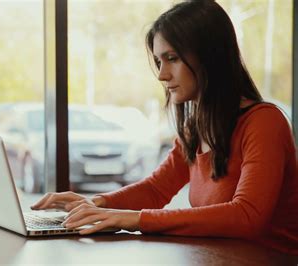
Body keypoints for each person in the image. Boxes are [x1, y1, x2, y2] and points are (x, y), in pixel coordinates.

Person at [31, 0, 298, 255]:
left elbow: (246, 216)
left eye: (172, 58)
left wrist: (135, 219)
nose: (162, 74)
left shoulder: (264, 122)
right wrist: (96, 203)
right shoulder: (196, 129)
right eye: (159, 61)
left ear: (210, 56)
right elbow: (156, 189)